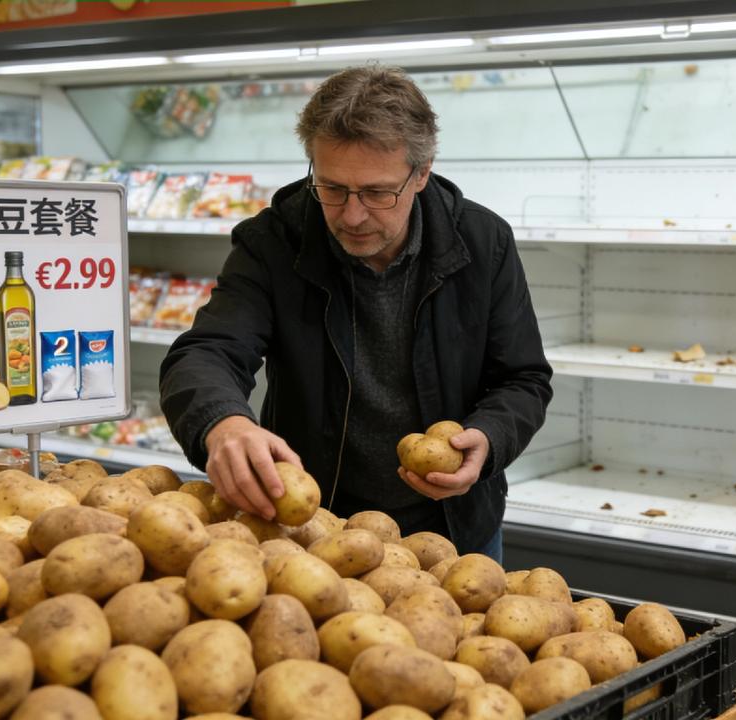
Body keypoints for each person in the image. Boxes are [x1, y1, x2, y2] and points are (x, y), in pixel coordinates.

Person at [160, 65, 553, 560]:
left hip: (452, 532)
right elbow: (207, 352)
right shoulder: (273, 242)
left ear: (422, 172)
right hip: (314, 530)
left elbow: (523, 378)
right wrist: (223, 423)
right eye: (332, 188)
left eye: (376, 193)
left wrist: (490, 440)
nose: (352, 215)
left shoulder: (483, 242)